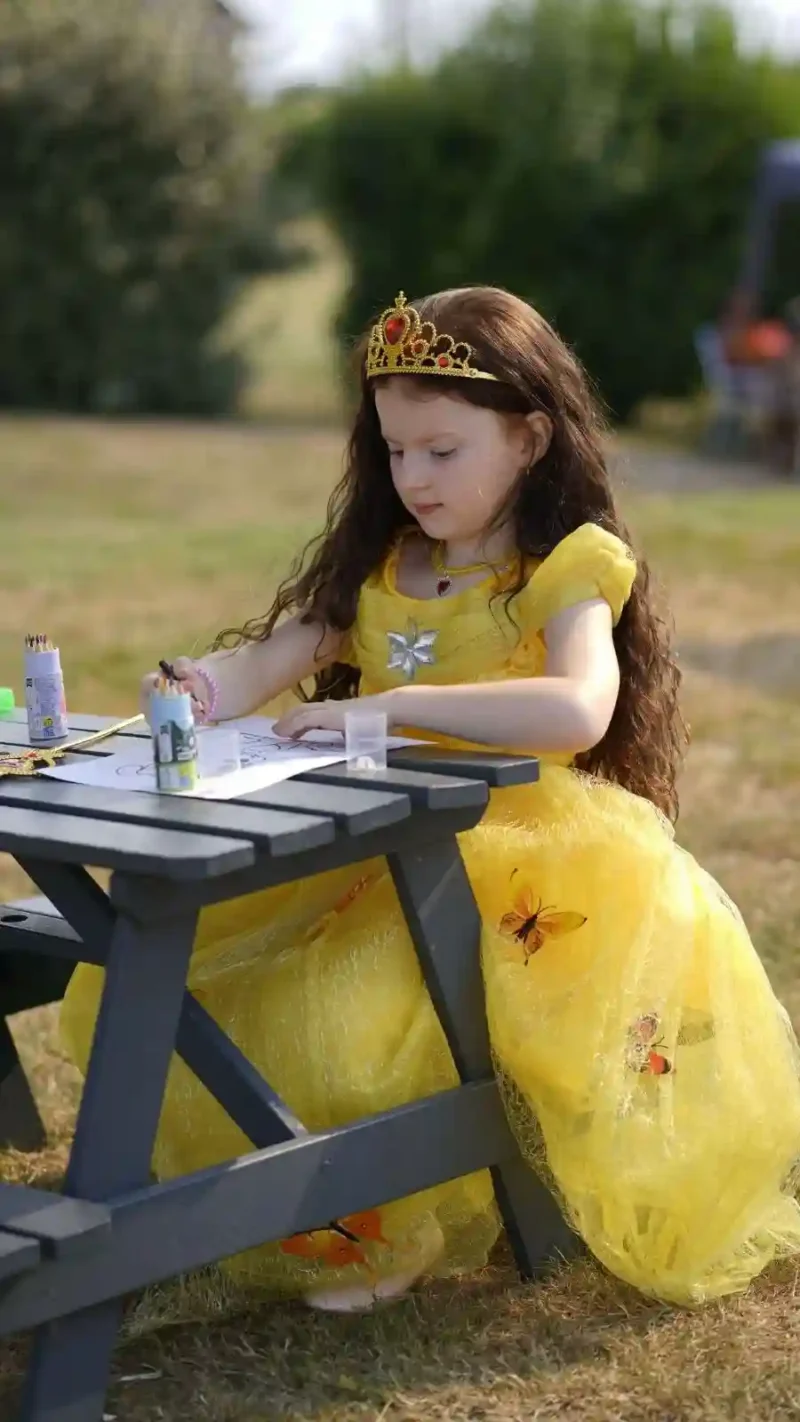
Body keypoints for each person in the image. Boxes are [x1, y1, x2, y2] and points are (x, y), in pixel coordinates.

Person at [62, 287, 800, 1311]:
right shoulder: (379, 565)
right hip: (376, 844)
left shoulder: (561, 570)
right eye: (394, 451)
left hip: (519, 853)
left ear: (530, 436)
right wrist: (201, 686)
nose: (412, 478)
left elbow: (578, 707)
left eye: (440, 452)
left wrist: (394, 707)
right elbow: (269, 662)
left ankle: (386, 1222)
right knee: (228, 992)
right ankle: (318, 1209)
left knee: (358, 1021)